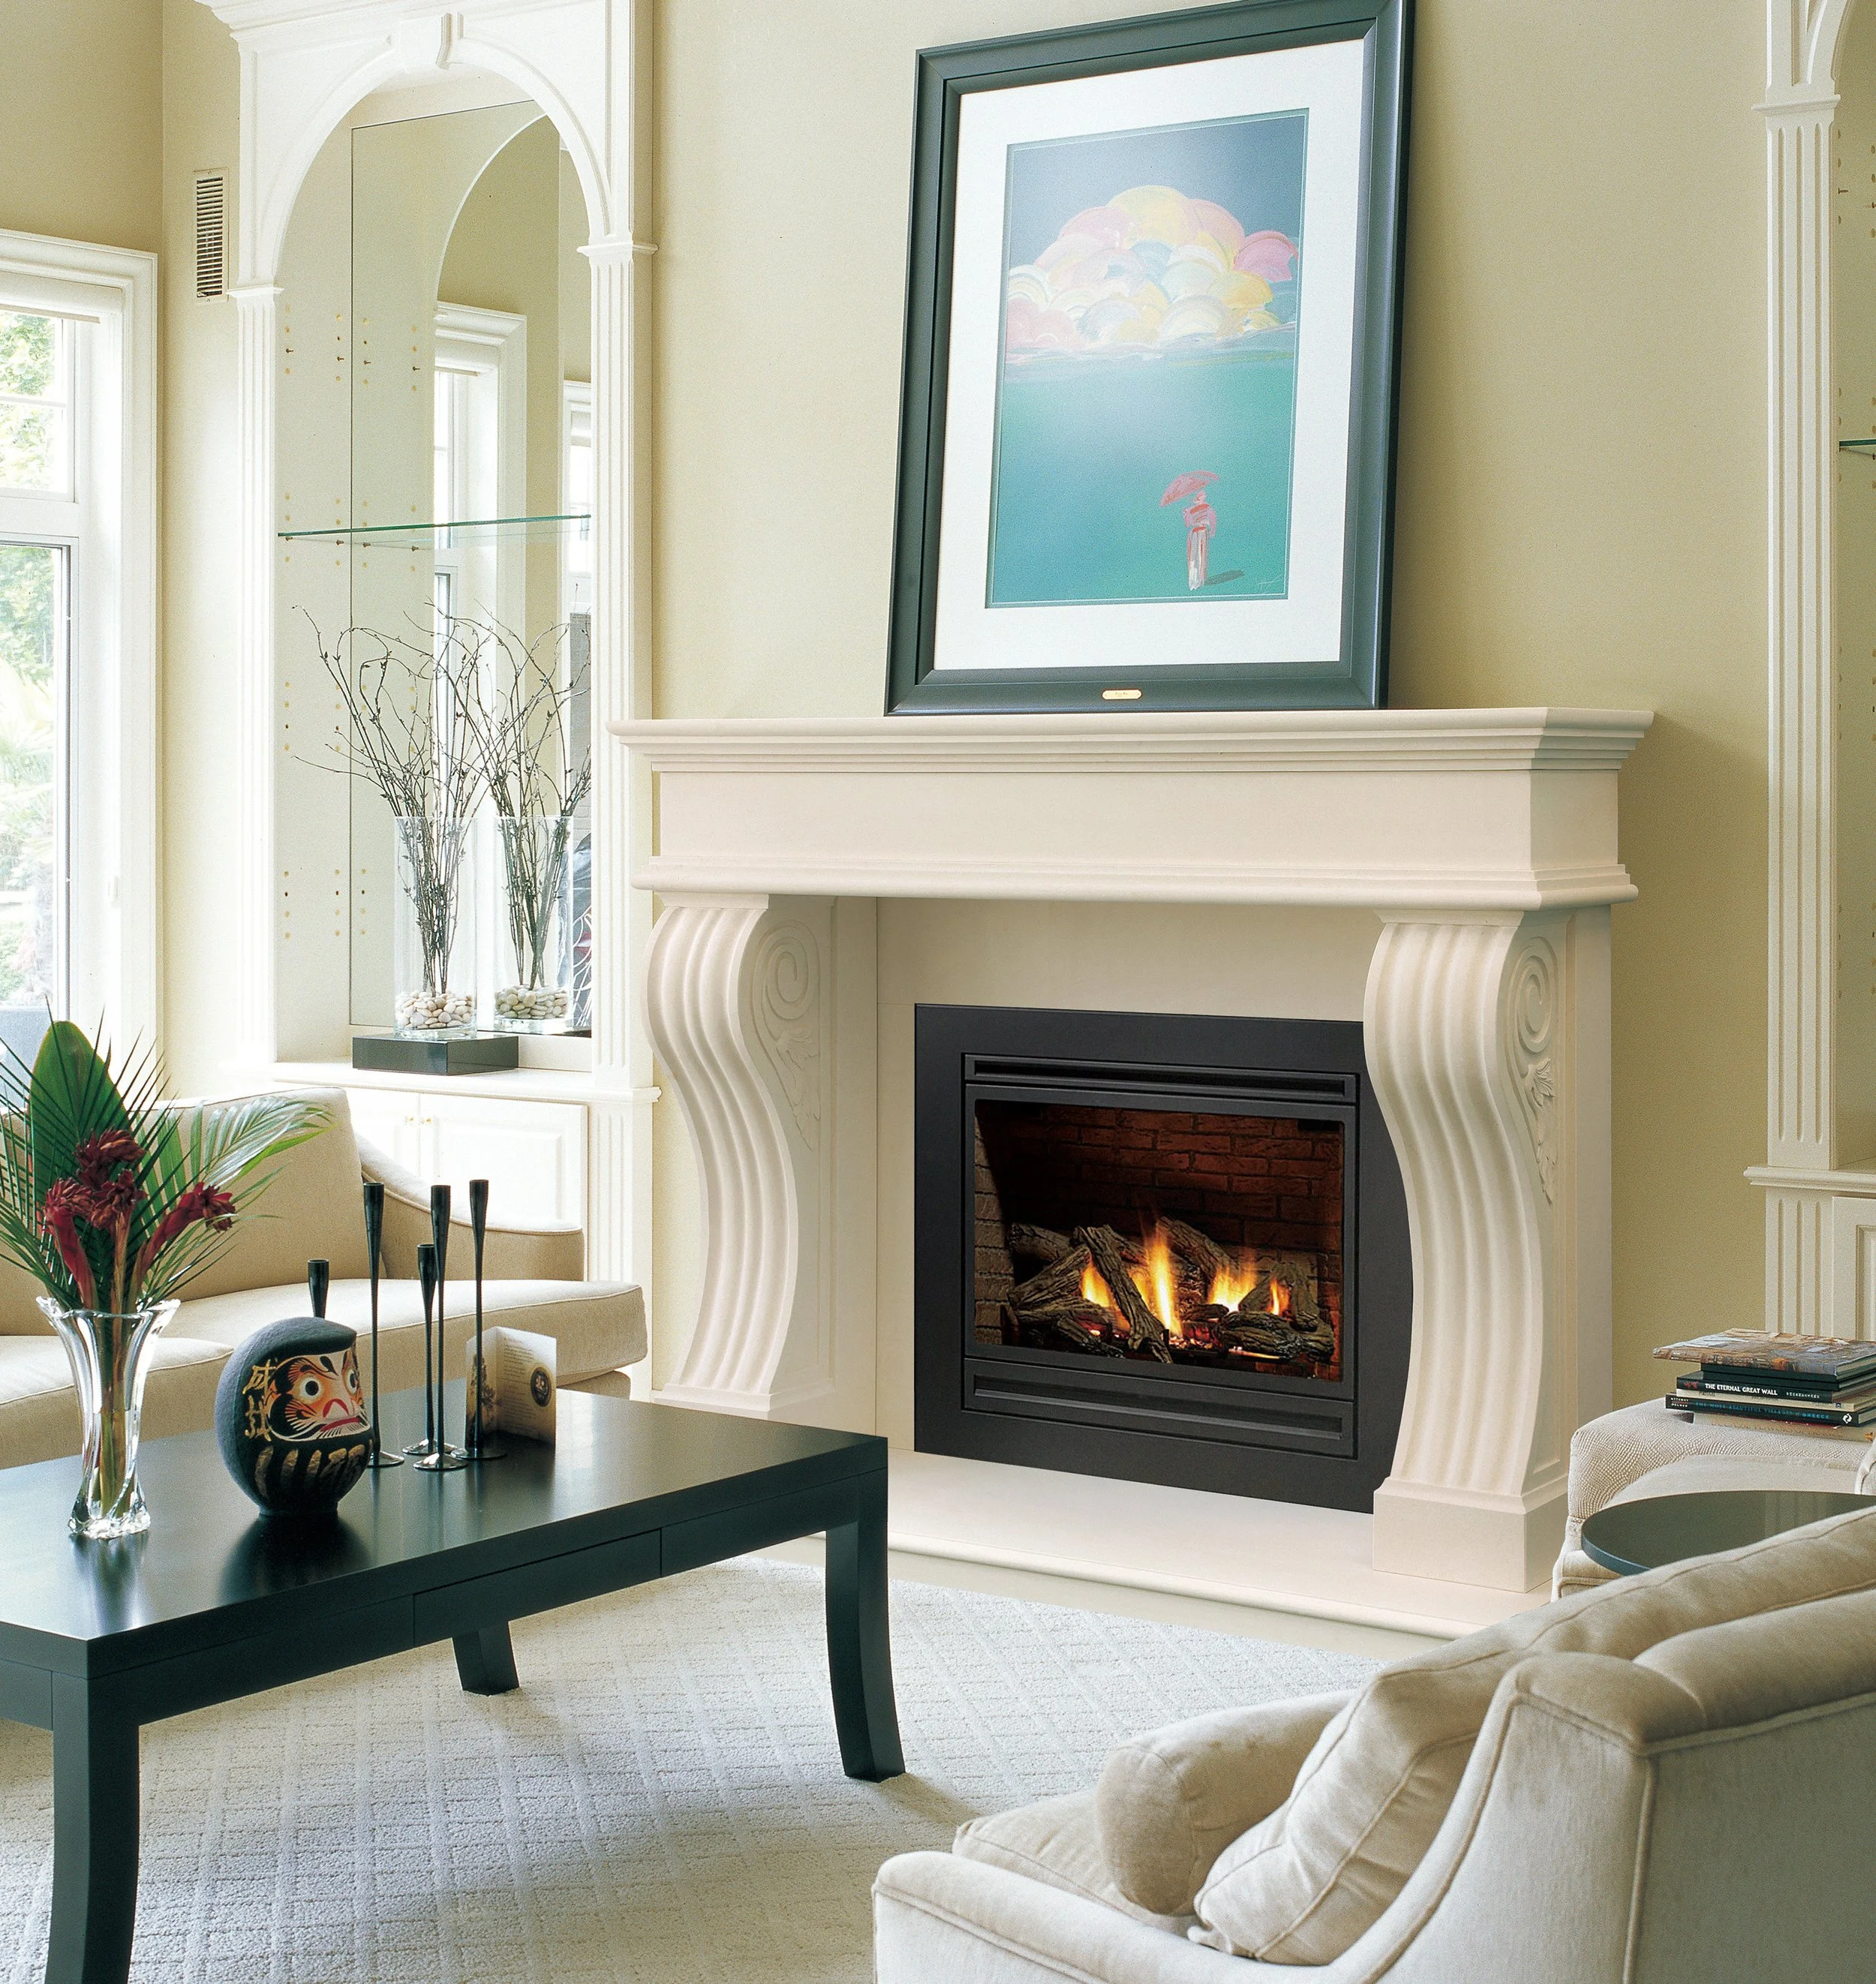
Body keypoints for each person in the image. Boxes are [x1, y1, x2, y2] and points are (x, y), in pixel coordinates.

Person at [1183, 492, 1217, 591]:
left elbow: (1212, 523)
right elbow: (1188, 523)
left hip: (1201, 533)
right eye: (1202, 496)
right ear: (1199, 497)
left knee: (1200, 555)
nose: (1204, 497)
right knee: (1195, 556)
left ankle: (1199, 580)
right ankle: (1195, 580)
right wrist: (1198, 522)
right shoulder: (1193, 510)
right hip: (1197, 533)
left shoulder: (1207, 509)